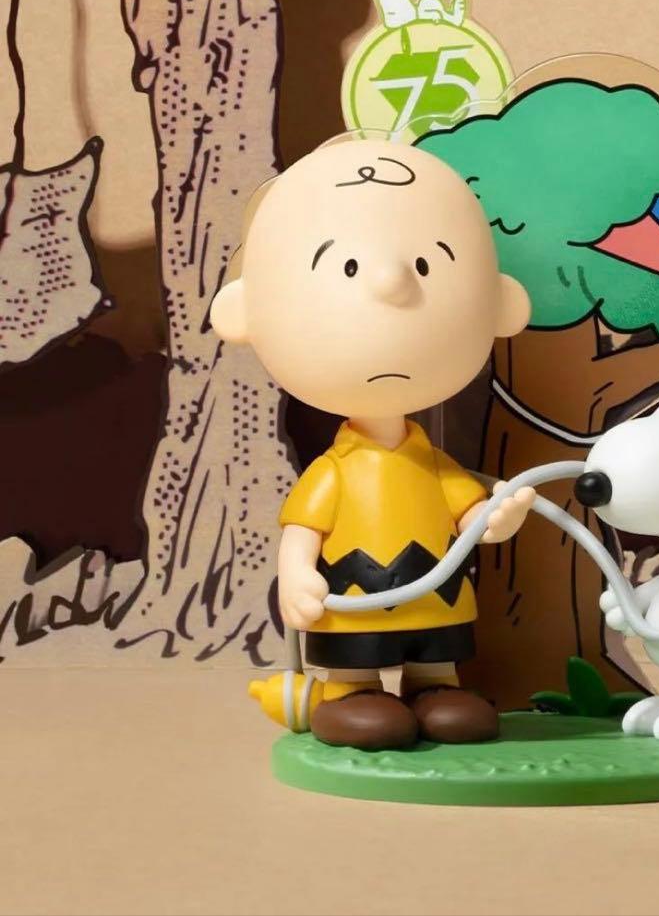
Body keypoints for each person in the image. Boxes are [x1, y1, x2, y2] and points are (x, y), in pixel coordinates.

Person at [210, 137, 533, 750]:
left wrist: (498, 519)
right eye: (348, 268)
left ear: (501, 303)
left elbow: (472, 518)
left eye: (429, 266)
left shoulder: (433, 465)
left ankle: (435, 687)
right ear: (244, 311)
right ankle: (349, 694)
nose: (392, 282)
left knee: (448, 693)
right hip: (352, 604)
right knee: (357, 677)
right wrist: (295, 577)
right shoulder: (334, 472)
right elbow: (302, 533)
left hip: (436, 605)